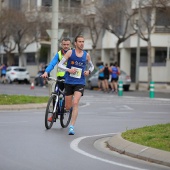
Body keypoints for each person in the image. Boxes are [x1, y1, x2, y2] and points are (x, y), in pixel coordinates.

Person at [57, 35, 94, 135]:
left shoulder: (86, 55)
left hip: (80, 82)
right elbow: (60, 65)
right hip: (69, 82)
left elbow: (92, 66)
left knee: (76, 102)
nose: (82, 43)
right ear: (75, 43)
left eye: (83, 41)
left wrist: (88, 71)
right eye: (80, 41)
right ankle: (66, 106)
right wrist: (68, 69)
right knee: (68, 107)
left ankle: (71, 127)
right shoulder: (70, 52)